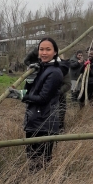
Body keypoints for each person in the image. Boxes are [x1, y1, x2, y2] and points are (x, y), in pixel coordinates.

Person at [8, 37, 64, 171]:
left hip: (44, 124)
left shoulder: (55, 72)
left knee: (41, 162)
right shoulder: (41, 68)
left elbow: (43, 98)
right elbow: (30, 91)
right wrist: (30, 76)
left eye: (48, 49)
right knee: (32, 160)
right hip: (33, 121)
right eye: (41, 49)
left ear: (55, 52)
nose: (44, 53)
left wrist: (21, 95)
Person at [58, 59, 71, 133]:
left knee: (61, 112)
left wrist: (58, 92)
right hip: (45, 96)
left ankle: (60, 128)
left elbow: (68, 84)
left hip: (59, 95)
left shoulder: (63, 67)